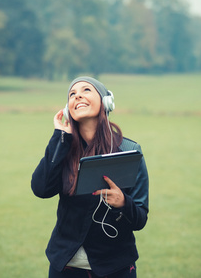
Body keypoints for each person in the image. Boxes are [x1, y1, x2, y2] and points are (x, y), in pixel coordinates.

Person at [31, 76, 149, 278]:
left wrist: (123, 203)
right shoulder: (63, 148)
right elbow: (41, 189)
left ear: (106, 102)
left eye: (86, 90)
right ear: (68, 108)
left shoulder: (128, 151)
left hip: (116, 268)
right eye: (72, 94)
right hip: (65, 268)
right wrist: (59, 137)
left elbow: (140, 218)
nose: (78, 96)